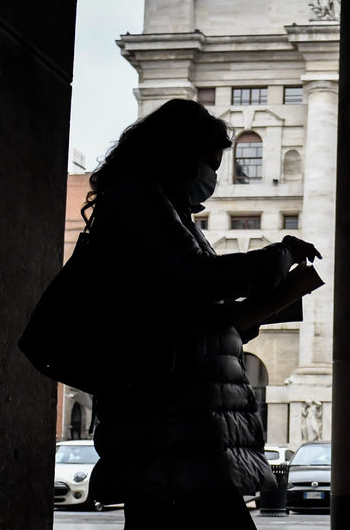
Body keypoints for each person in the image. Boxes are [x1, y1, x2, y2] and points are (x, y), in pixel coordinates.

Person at [85, 99, 321, 529]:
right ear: (177, 153)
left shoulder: (167, 212)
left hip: (186, 428)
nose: (210, 177)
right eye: (207, 163)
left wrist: (279, 297)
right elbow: (199, 281)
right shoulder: (141, 203)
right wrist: (279, 255)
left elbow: (198, 315)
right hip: (173, 425)